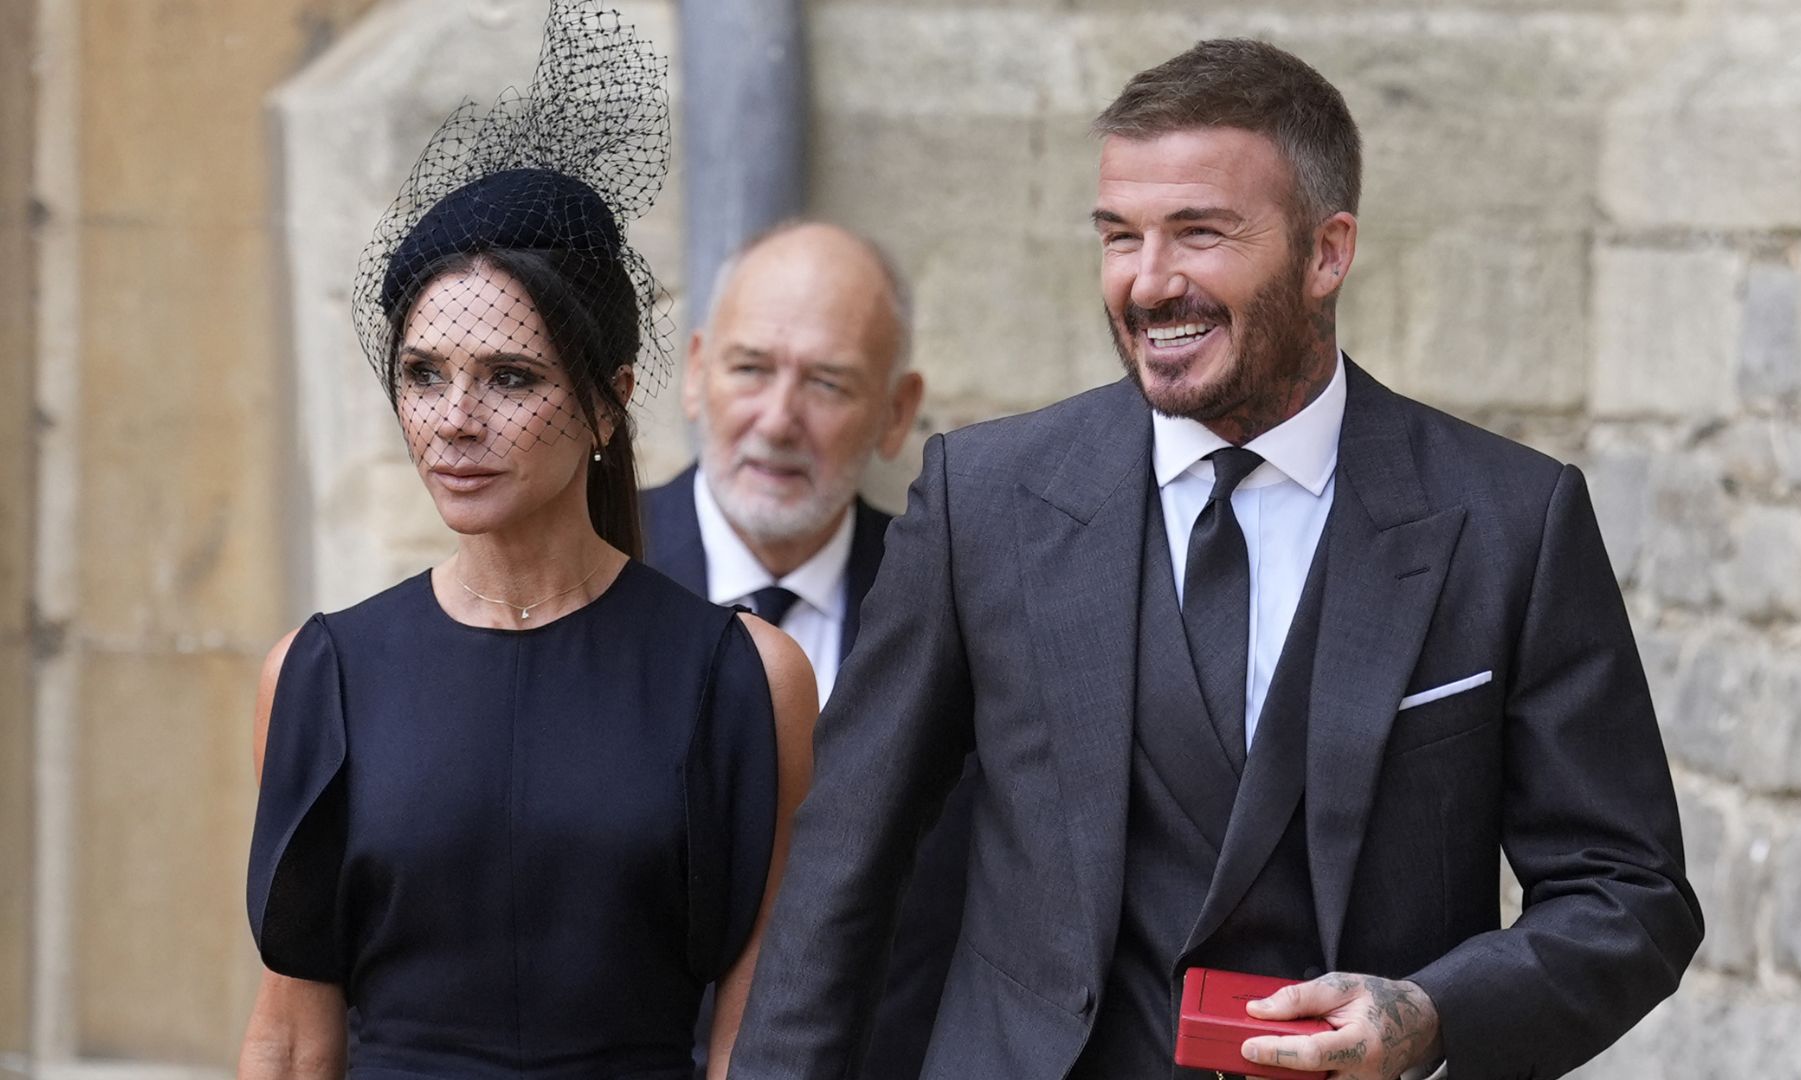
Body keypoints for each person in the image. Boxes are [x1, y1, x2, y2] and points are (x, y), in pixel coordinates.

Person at [731, 38, 1703, 1080]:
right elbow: (843, 866)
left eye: (1199, 233)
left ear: (1327, 253)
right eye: (1119, 236)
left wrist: (1430, 1015)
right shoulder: (985, 499)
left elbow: (1628, 893)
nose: (1148, 284)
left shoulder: (1510, 520)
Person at [238, 5, 813, 1077]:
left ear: (609, 402)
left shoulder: (746, 678)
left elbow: (756, 1036)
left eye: (509, 378)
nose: (455, 420)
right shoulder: (318, 675)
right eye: (424, 375)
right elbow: (289, 1037)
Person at [644, 221, 973, 1079]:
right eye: (751, 368)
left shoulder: (964, 606)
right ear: (695, 372)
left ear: (896, 411)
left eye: (827, 383)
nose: (779, 420)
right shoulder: (594, 570)